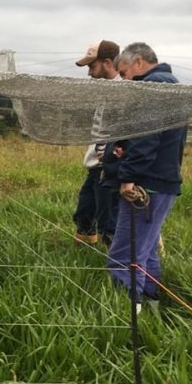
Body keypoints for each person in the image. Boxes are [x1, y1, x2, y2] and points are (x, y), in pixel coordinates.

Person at [104, 42, 187, 305]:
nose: (126, 80)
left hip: (146, 185)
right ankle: (150, 301)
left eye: (125, 73)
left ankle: (125, 312)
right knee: (146, 247)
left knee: (125, 253)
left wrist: (128, 176)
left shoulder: (153, 86)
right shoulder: (170, 84)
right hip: (161, 182)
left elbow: (146, 136)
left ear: (139, 62)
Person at [72, 40, 121, 245]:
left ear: (107, 62)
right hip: (95, 166)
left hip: (108, 167)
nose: (89, 73)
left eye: (92, 66)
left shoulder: (124, 91)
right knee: (85, 212)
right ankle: (83, 250)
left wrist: (109, 162)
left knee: (108, 220)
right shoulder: (106, 90)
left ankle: (120, 267)